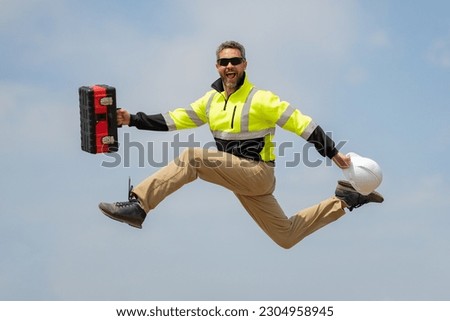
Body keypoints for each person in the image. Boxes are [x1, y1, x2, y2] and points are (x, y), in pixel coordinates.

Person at [99, 40, 384, 249]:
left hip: (258, 173)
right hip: (238, 178)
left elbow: (302, 124)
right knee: (285, 236)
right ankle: (346, 200)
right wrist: (132, 119)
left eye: (235, 61)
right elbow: (175, 119)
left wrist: (333, 153)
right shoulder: (210, 101)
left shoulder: (262, 99)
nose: (230, 66)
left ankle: (139, 205)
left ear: (244, 64)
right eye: (224, 62)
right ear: (217, 67)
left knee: (192, 158)